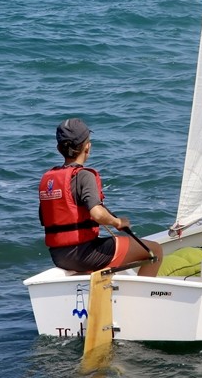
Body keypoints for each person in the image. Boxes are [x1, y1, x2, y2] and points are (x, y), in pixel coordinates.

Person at [38, 118, 162, 276]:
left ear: (58, 148)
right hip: (85, 254)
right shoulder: (84, 176)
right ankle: (141, 293)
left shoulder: (49, 179)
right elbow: (97, 213)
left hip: (59, 256)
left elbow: (45, 218)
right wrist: (117, 222)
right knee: (155, 251)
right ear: (87, 147)